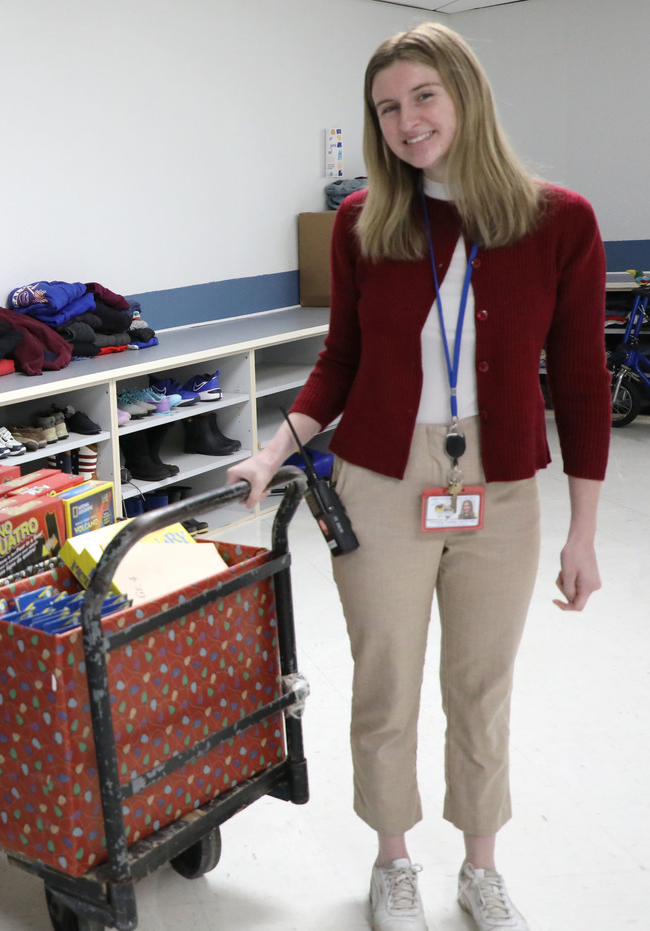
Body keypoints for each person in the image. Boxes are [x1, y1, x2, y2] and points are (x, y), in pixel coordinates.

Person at [228, 23, 609, 931]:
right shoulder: (366, 221)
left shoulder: (559, 220)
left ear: (466, 92)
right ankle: (392, 860)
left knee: (481, 683)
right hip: (380, 478)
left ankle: (481, 866)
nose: (407, 121)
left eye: (423, 96)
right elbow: (341, 360)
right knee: (386, 679)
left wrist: (583, 532)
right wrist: (275, 450)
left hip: (499, 483)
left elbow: (583, 380)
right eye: (387, 108)